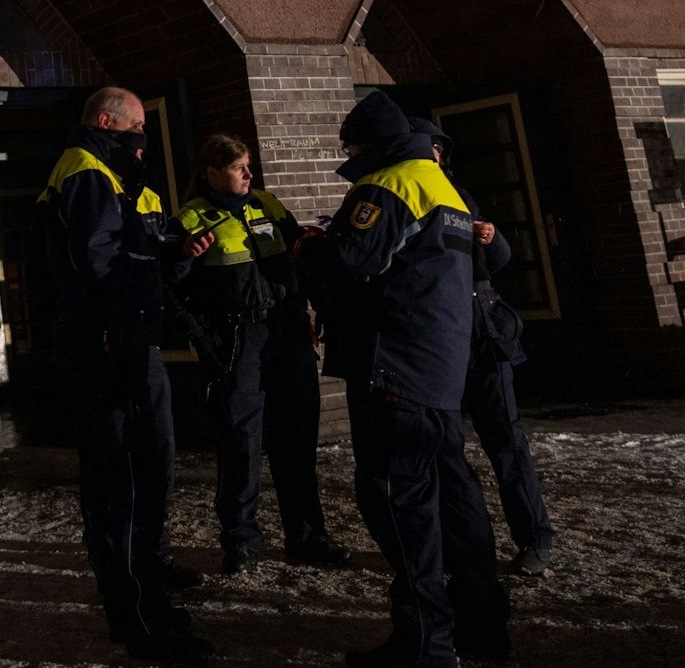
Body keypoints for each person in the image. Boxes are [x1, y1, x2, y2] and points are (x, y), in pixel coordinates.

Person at [297, 93, 509, 668]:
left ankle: (425, 643)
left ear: (367, 146)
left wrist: (309, 251)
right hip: (440, 370)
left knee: (398, 503)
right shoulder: (445, 187)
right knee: (456, 501)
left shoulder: (385, 185)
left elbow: (349, 264)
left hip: (393, 367)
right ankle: (482, 627)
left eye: (351, 150)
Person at [34, 86, 212, 666]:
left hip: (119, 339)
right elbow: (101, 264)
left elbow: (127, 253)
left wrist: (173, 254)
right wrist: (157, 260)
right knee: (130, 476)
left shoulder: (106, 174)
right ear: (108, 122)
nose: (143, 138)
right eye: (136, 127)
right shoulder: (89, 174)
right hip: (111, 344)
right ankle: (142, 616)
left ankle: (141, 592)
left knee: (135, 470)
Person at [170, 133, 351, 574]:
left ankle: (307, 537)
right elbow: (170, 287)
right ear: (213, 173)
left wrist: (317, 306)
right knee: (241, 442)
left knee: (297, 438)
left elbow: (301, 260)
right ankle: (241, 541)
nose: (250, 174)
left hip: (286, 332)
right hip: (237, 340)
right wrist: (202, 339)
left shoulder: (268, 205)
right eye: (239, 168)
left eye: (249, 165)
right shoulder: (191, 218)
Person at [409, 118, 557, 579]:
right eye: (426, 148)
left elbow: (497, 260)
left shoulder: (460, 195)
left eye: (437, 149)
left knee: (506, 443)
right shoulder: (403, 196)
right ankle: (458, 549)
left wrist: (493, 239)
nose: (433, 156)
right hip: (439, 342)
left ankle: (534, 539)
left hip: (483, 335)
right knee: (443, 451)